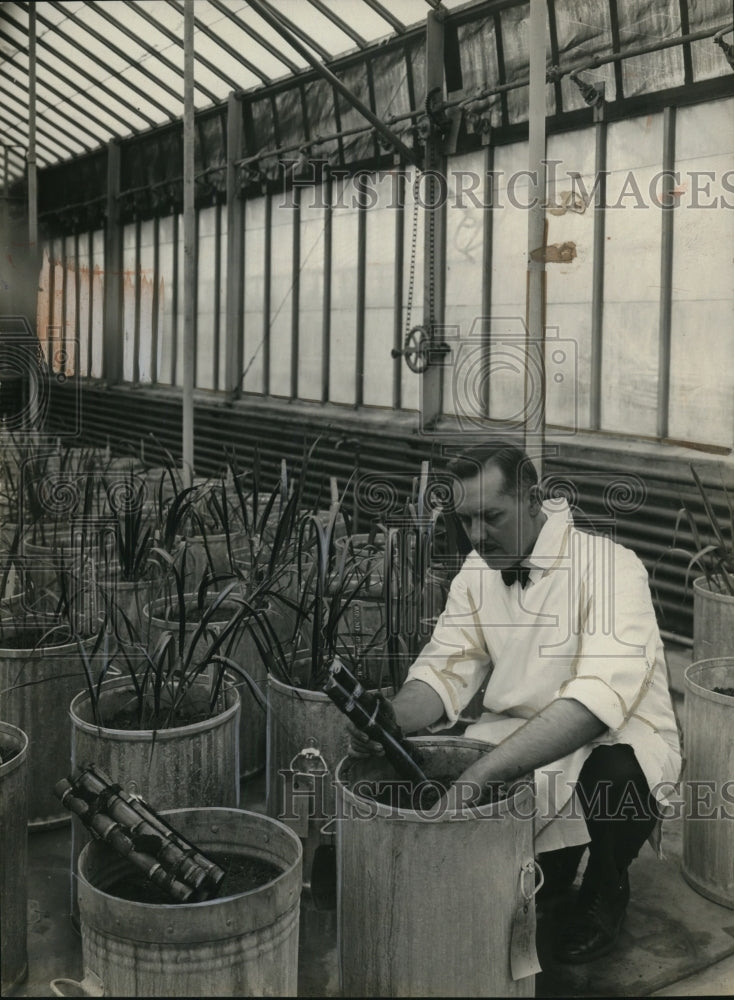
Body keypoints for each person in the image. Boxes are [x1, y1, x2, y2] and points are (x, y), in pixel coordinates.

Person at [350, 442, 682, 964]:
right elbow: (444, 670)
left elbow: (595, 702)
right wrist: (390, 716)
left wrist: (483, 776)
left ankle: (607, 883)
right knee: (516, 876)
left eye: (491, 516)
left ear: (534, 499)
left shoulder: (612, 567)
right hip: (524, 738)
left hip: (612, 738)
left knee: (614, 781)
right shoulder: (478, 571)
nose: (477, 535)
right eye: (466, 520)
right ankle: (555, 861)